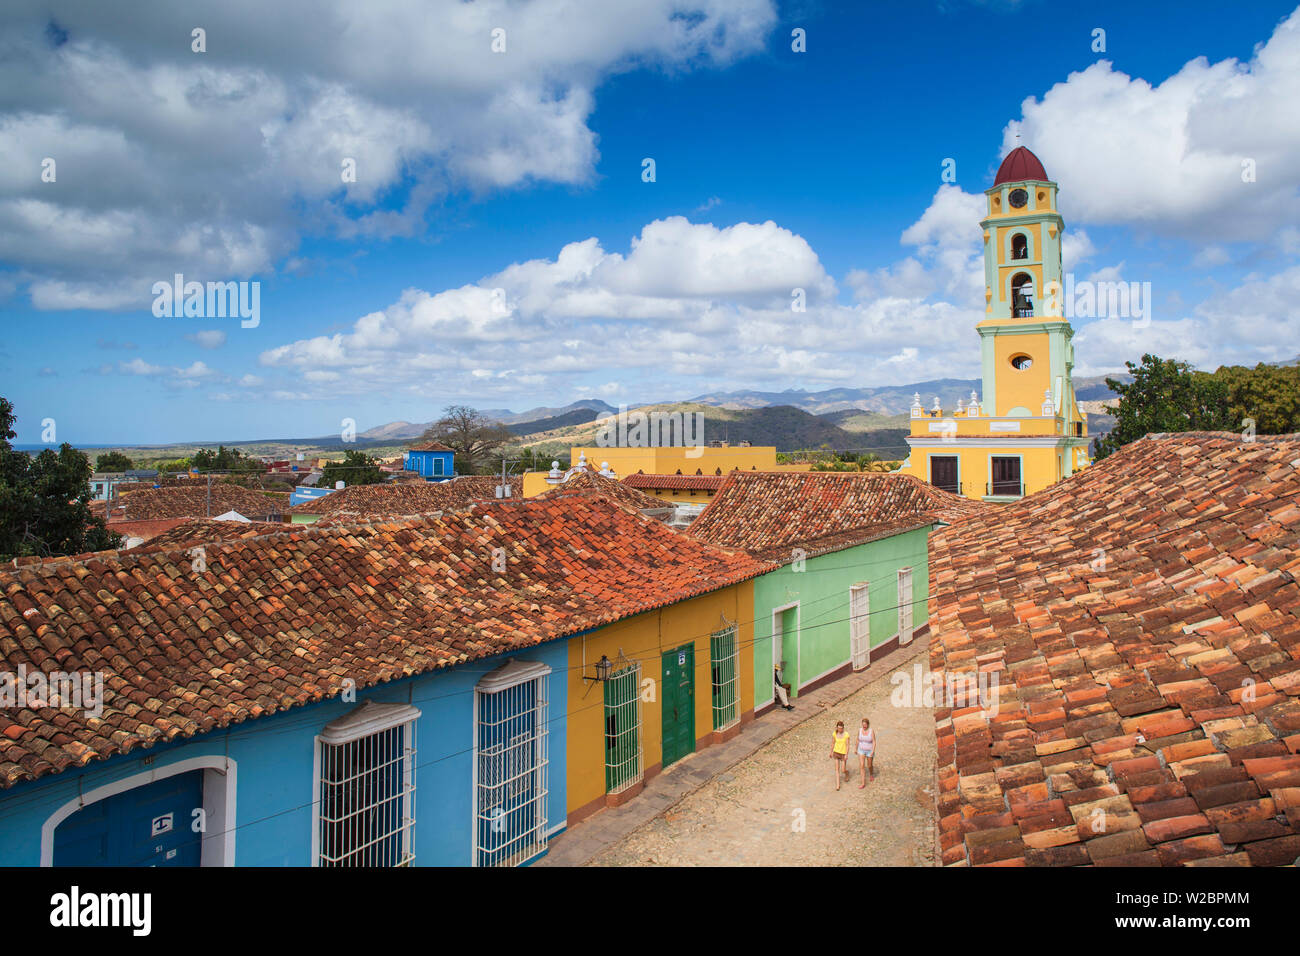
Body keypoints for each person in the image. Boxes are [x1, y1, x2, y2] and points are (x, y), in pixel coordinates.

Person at [830, 720, 850, 790]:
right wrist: (831, 752)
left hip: (843, 753)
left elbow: (847, 745)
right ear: (837, 728)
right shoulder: (834, 734)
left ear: (843, 728)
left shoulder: (846, 734)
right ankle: (838, 785)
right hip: (836, 752)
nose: (840, 729)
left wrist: (846, 754)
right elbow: (833, 743)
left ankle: (847, 773)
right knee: (837, 769)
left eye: (841, 728)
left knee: (843, 769)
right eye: (838, 728)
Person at [857, 717, 876, 787]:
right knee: (862, 766)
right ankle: (863, 783)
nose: (864, 726)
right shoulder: (859, 730)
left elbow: (874, 741)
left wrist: (873, 751)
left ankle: (871, 774)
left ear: (868, 725)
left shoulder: (871, 731)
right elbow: (857, 739)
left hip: (869, 750)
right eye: (863, 725)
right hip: (861, 750)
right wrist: (856, 749)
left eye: (865, 725)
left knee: (869, 765)